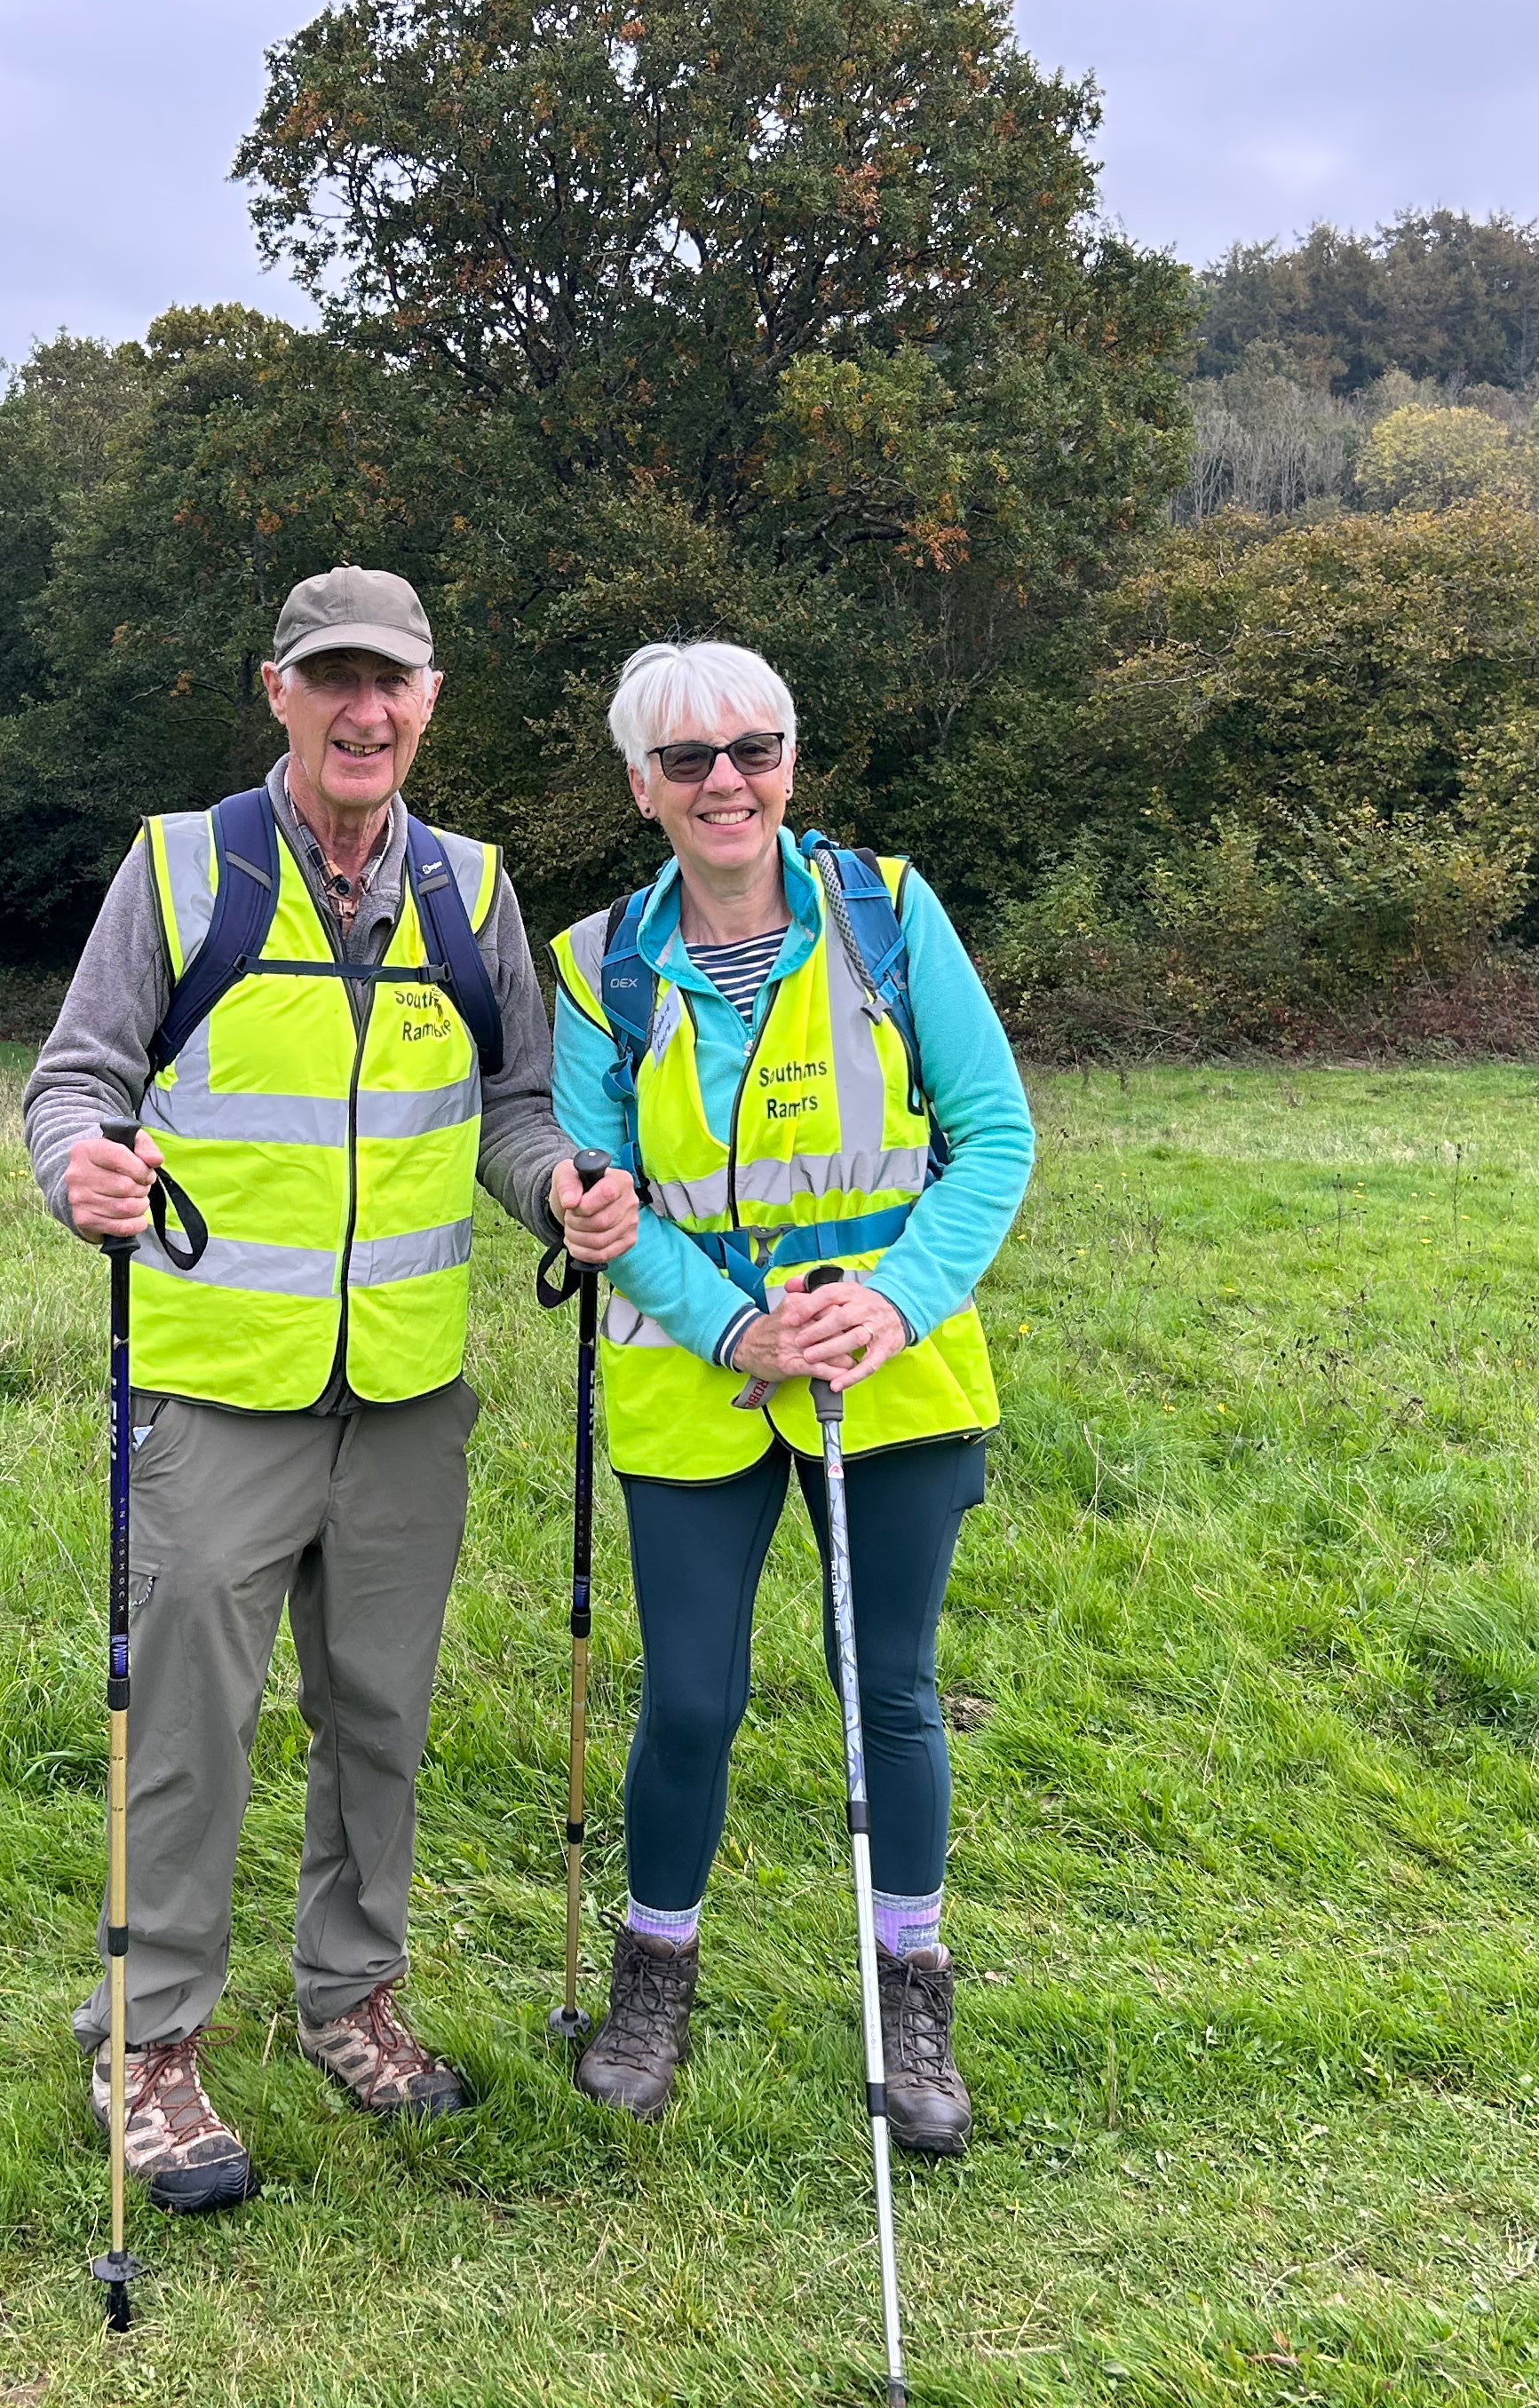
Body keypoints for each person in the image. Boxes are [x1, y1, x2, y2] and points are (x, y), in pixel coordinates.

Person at [27, 566, 637, 2214]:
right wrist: (78, 1162)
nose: (365, 711)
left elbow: (514, 1103)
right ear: (279, 691)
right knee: (193, 1729)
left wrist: (562, 1186)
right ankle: (148, 2043)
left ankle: (351, 1999)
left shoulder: (472, 891)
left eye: (394, 683)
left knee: (379, 1712)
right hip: (220, 1384)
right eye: (333, 679)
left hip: (407, 1392)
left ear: (430, 699)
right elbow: (80, 1076)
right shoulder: (180, 872)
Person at [547, 638, 1035, 2153]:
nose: (725, 782)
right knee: (692, 1695)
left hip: (893, 1381)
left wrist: (889, 1302)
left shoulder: (888, 914)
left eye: (752, 749)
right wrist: (736, 1332)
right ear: (642, 785)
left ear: (790, 764)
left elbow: (996, 1137)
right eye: (687, 760)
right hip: (702, 1387)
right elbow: (602, 1200)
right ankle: (654, 1973)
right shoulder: (594, 968)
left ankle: (911, 1987)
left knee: (886, 1686)